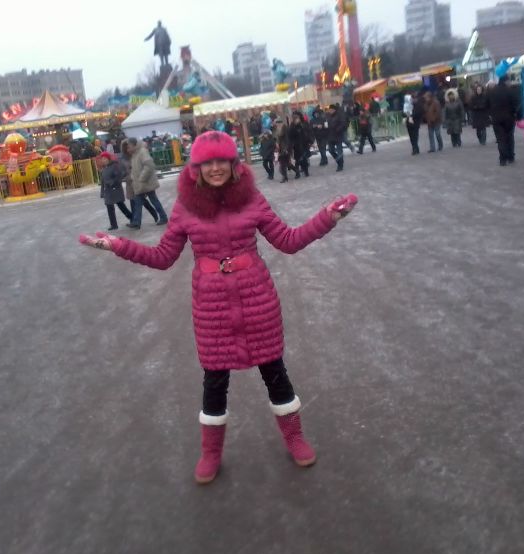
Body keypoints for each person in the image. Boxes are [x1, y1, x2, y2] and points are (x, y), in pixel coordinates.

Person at [78, 131, 358, 484]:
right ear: (195, 168)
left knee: (275, 373)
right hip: (212, 309)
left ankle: (294, 437)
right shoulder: (185, 207)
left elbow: (287, 241)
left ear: (233, 163)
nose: (215, 168)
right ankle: (211, 452)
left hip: (258, 303)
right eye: (206, 162)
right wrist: (119, 246)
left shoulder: (252, 199)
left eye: (221, 161)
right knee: (214, 382)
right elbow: (163, 257)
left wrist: (327, 218)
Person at [127, 137, 168, 229]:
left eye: (129, 146)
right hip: (141, 183)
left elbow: (149, 166)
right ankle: (137, 222)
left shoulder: (142, 152)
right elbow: (135, 169)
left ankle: (163, 217)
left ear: (134, 145)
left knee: (153, 200)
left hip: (146, 182)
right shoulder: (135, 154)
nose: (128, 149)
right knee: (139, 202)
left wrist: (142, 178)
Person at [487, 75, 521, 166]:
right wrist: (516, 114)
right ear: (506, 81)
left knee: (500, 139)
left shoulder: (492, 91)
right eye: (509, 81)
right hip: (509, 118)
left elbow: (487, 104)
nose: (510, 83)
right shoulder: (510, 91)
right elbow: (516, 104)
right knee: (509, 137)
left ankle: (503, 159)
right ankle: (511, 156)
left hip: (496, 119)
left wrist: (491, 114)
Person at [100, 153, 132, 231]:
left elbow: (118, 177)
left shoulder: (114, 166)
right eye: (102, 159)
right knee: (109, 207)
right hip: (108, 191)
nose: (103, 160)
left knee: (121, 206)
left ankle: (131, 217)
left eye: (105, 158)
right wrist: (102, 192)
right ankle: (113, 224)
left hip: (115, 190)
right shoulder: (104, 169)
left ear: (108, 159)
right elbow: (102, 182)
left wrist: (112, 183)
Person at [288, 111, 310, 177]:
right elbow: (290, 135)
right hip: (296, 146)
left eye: (297, 119)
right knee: (297, 160)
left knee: (304, 159)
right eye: (295, 119)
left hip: (303, 145)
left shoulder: (302, 125)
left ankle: (306, 171)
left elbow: (306, 134)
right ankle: (297, 173)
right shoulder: (292, 126)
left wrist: (309, 142)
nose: (297, 120)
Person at [327, 104, 348, 171]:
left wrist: (338, 129)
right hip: (330, 136)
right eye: (329, 110)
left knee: (339, 151)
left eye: (331, 110)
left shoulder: (339, 115)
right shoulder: (328, 116)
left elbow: (343, 123)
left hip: (338, 136)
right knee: (331, 150)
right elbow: (326, 124)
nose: (330, 111)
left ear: (334, 110)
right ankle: (339, 161)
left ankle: (340, 165)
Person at [275, 118, 297, 183]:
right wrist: (277, 144)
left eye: (279, 123)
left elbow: (287, 140)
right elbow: (278, 139)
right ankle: (296, 171)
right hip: (281, 149)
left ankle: (284, 177)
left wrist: (286, 149)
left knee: (282, 164)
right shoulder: (278, 130)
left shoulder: (285, 129)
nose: (278, 125)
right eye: (277, 123)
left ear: (282, 123)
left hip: (285, 149)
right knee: (287, 163)